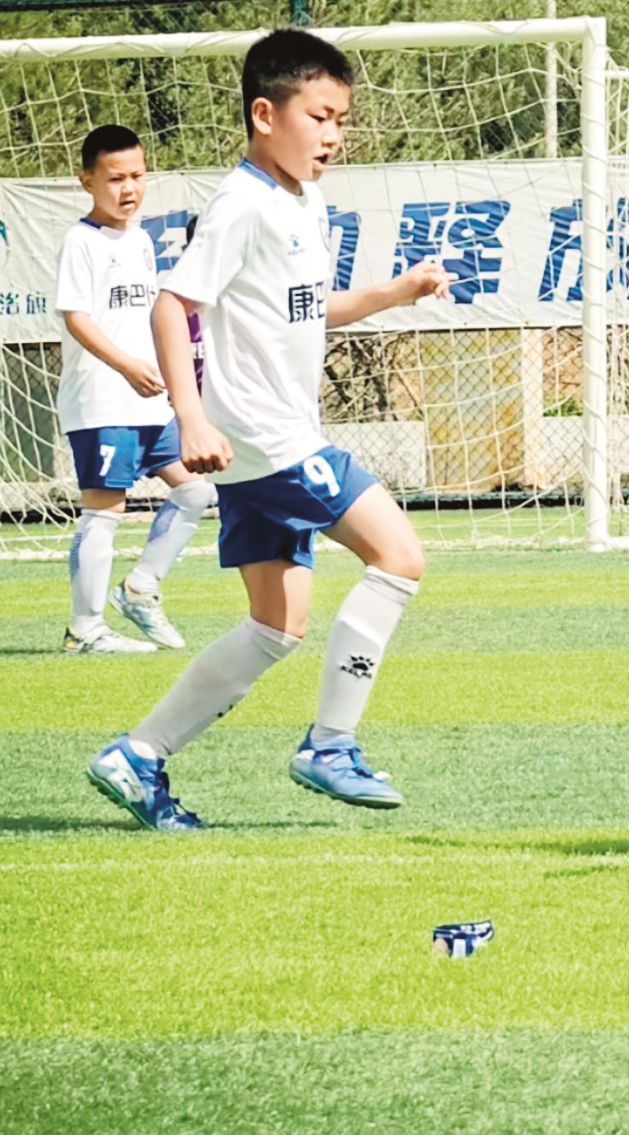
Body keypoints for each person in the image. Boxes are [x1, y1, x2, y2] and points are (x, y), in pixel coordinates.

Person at [86, 29, 449, 831]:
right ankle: (332, 744)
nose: (333, 135)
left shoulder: (301, 201)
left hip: (255, 445)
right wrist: (190, 415)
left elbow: (309, 310)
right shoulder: (243, 203)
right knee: (399, 556)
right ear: (264, 114)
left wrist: (394, 292)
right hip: (268, 438)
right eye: (319, 116)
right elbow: (172, 305)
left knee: (275, 627)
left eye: (341, 120)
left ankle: (138, 755)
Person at [57, 124, 216, 654]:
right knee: (105, 509)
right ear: (87, 181)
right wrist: (126, 365)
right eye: (115, 178)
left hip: (148, 401)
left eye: (137, 176)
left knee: (196, 490)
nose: (129, 188)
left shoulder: (142, 240)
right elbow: (76, 317)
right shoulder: (81, 241)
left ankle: (139, 589)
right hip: (102, 401)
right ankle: (84, 629)